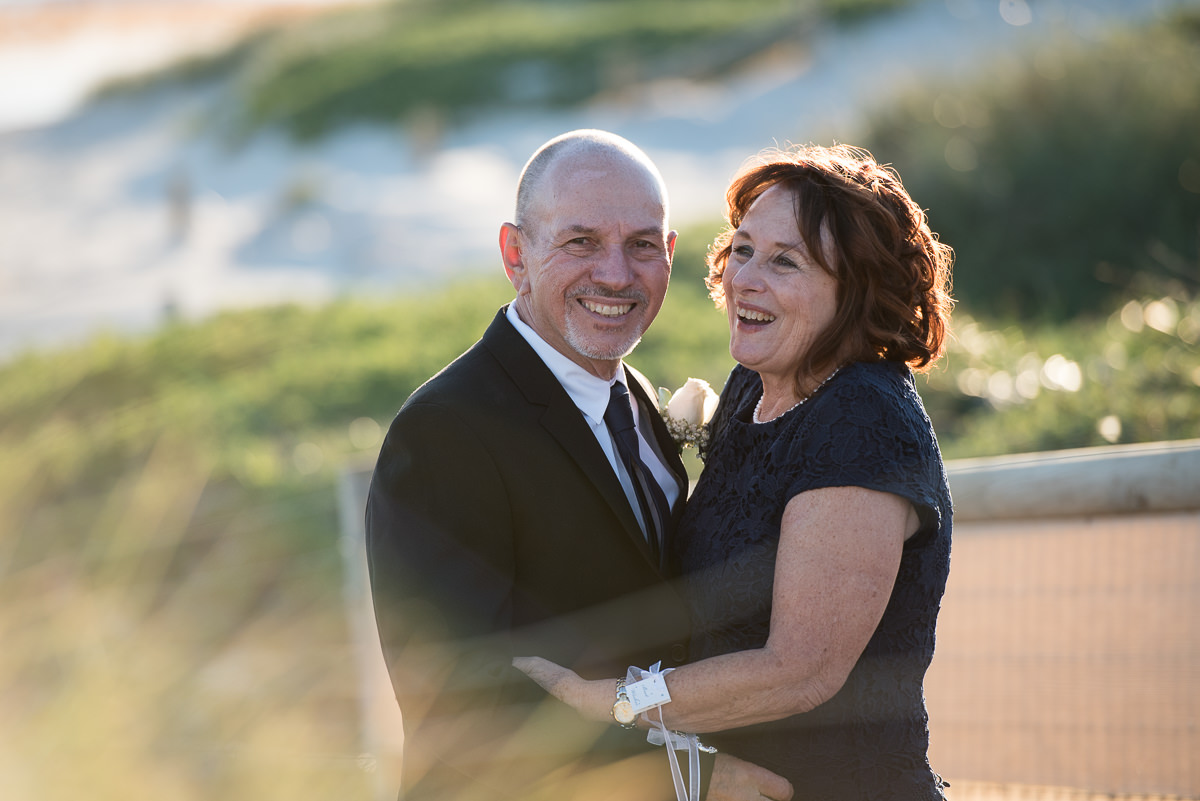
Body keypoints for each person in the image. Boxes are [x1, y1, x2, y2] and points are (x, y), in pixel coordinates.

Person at [515, 143, 955, 799]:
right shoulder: (753, 387)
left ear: (856, 290)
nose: (745, 278)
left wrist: (614, 706)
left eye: (786, 261)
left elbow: (799, 670)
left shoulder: (862, 420)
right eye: (744, 249)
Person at [365, 129, 792, 801]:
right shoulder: (447, 430)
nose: (616, 274)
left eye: (642, 244)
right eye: (581, 242)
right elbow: (460, 696)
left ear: (670, 255)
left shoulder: (638, 403)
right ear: (516, 254)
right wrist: (692, 777)